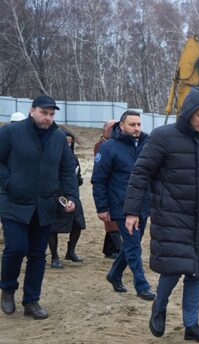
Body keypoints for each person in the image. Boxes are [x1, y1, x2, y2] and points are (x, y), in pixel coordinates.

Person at [124, 87, 199, 344]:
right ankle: (159, 307)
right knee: (173, 269)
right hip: (170, 214)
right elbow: (140, 173)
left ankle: (192, 325)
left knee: (196, 271)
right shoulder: (162, 137)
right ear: (188, 112)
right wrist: (132, 211)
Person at [0, 95, 78, 319]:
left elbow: (67, 169)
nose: (48, 118)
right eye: (44, 113)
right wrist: (8, 182)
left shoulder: (59, 138)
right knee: (16, 248)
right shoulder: (10, 133)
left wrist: (71, 195)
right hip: (14, 202)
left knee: (37, 254)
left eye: (52, 114)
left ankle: (31, 301)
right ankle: (7, 288)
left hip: (44, 204)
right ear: (32, 111)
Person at [91, 111, 155, 301]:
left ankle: (114, 274)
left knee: (131, 245)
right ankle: (142, 286)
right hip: (121, 206)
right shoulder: (108, 148)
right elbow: (99, 180)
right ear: (121, 126)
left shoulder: (147, 145)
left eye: (138, 124)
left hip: (143, 204)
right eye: (132, 125)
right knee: (133, 246)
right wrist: (102, 207)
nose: (136, 128)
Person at [48, 130, 86, 268]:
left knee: (78, 224)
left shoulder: (73, 158)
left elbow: (77, 176)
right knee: (53, 227)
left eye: (70, 142)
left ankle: (71, 252)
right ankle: (54, 257)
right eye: (66, 141)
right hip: (55, 195)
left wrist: (78, 180)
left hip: (72, 195)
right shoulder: (50, 158)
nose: (68, 144)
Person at [95, 120, 122, 259]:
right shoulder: (101, 146)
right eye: (111, 127)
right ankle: (119, 249)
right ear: (105, 129)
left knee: (113, 220)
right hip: (108, 186)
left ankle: (109, 249)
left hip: (115, 187)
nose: (113, 129)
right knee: (111, 222)